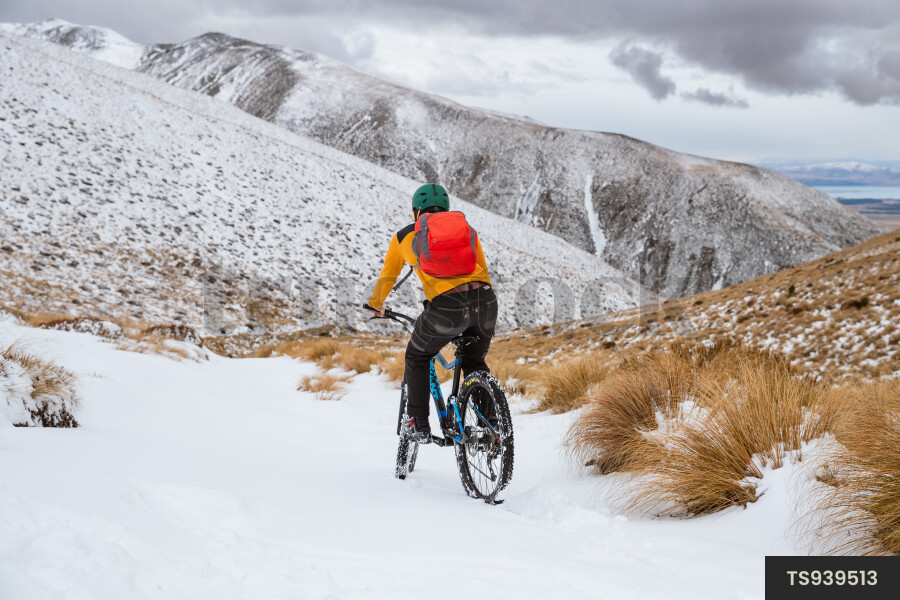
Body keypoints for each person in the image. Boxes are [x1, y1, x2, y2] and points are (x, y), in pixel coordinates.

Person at [367, 183, 498, 443]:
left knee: (417, 355)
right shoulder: (467, 230)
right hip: (486, 303)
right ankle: (492, 428)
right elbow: (481, 267)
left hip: (447, 308)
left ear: (416, 211)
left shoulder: (405, 235)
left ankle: (418, 423)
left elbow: (389, 275)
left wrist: (375, 304)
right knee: (474, 363)